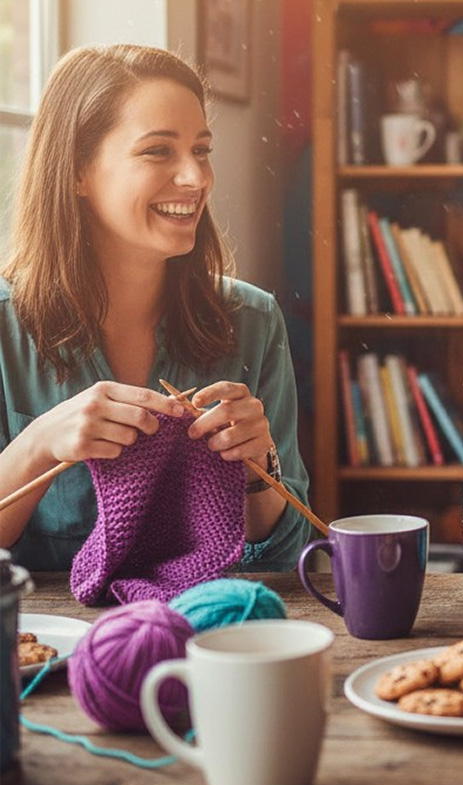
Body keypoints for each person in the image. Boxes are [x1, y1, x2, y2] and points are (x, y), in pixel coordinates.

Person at [0, 44, 311, 571]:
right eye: (158, 151)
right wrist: (39, 445)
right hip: (46, 627)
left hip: (207, 621)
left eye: (201, 150)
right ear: (76, 170)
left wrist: (258, 468)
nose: (196, 178)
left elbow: (285, 556)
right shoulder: (5, 328)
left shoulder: (254, 322)